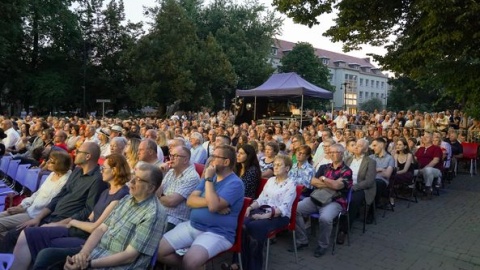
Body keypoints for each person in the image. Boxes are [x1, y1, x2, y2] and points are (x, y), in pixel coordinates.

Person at [11, 154, 131, 270]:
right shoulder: (106, 191)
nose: (101, 171)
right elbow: (90, 218)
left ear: (115, 171)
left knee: (46, 253)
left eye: (104, 168)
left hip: (89, 238)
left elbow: (95, 227)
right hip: (79, 229)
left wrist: (72, 222)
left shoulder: (121, 195)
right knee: (29, 233)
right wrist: (60, 224)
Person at [0, 142, 107, 253]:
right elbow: (58, 197)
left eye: (79, 151)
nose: (75, 152)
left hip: (63, 222)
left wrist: (58, 224)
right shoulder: (77, 172)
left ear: (88, 156)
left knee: (13, 236)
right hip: (50, 217)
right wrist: (38, 218)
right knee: (12, 235)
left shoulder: (97, 180)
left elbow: (87, 210)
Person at [60, 163, 166, 270]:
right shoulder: (126, 199)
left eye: (138, 179)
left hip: (118, 266)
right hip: (96, 253)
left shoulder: (154, 214)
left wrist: (88, 264)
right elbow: (101, 228)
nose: (131, 181)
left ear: (151, 188)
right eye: (133, 176)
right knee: (51, 256)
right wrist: (83, 254)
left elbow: (130, 256)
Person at [158, 145, 244, 270]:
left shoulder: (235, 183)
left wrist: (208, 179)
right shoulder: (211, 176)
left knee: (190, 262)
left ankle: (192, 266)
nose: (211, 159)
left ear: (226, 162)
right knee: (158, 250)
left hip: (217, 233)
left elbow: (213, 207)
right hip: (192, 225)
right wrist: (211, 201)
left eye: (215, 156)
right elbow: (190, 201)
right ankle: (195, 267)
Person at [291, 143, 352, 257]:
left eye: (335, 152)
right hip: (318, 197)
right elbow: (313, 181)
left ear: (342, 154)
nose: (331, 154)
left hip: (335, 201)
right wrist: (331, 183)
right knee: (295, 210)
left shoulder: (347, 171)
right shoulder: (324, 167)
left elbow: (338, 186)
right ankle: (302, 240)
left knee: (325, 218)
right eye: (330, 152)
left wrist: (323, 179)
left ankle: (322, 245)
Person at [239, 155, 296, 270]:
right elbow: (261, 199)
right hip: (262, 210)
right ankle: (239, 262)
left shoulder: (291, 184)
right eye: (274, 164)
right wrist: (249, 208)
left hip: (279, 215)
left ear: (287, 168)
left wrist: (264, 216)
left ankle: (253, 266)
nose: (275, 167)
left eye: (279, 165)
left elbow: (284, 208)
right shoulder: (270, 180)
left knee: (255, 227)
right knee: (243, 223)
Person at [0, 151, 72, 235]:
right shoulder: (52, 174)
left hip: (34, 215)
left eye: (51, 161)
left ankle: (14, 241)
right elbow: (37, 193)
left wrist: (25, 209)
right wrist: (22, 206)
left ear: (60, 164)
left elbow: (49, 203)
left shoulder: (65, 180)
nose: (47, 162)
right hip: (28, 209)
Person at [157, 146, 200, 232]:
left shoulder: (192, 177)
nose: (171, 158)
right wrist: (159, 173)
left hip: (175, 220)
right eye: (171, 155)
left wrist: (158, 196)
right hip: (159, 213)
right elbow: (155, 191)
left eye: (175, 156)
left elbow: (171, 202)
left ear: (185, 160)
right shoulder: (170, 172)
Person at [344, 138, 376, 232]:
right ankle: (336, 219)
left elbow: (369, 181)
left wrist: (353, 187)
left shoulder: (370, 162)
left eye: (360, 146)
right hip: (346, 185)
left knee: (352, 201)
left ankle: (344, 230)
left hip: (361, 188)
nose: (356, 147)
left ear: (366, 150)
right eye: (355, 145)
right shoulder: (347, 159)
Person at [415, 132, 443, 199]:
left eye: (427, 137)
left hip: (435, 170)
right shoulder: (420, 149)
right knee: (410, 171)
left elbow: (435, 161)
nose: (424, 138)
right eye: (424, 136)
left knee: (428, 170)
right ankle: (410, 188)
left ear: (431, 139)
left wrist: (424, 169)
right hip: (420, 169)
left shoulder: (436, 148)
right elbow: (414, 160)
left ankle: (428, 190)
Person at [369, 138, 395, 207]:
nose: (373, 148)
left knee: (377, 183)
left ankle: (372, 208)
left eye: (375, 145)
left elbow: (387, 175)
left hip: (381, 182)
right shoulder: (371, 157)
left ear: (381, 145)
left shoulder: (390, 158)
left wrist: (373, 170)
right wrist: (380, 169)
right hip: (369, 180)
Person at [389, 137, 414, 206]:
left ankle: (391, 198)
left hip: (407, 174)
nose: (397, 146)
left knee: (391, 177)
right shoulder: (396, 155)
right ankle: (389, 196)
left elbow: (405, 170)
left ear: (405, 146)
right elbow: (395, 167)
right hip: (398, 174)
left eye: (400, 145)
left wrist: (393, 173)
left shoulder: (409, 155)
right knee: (389, 177)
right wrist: (392, 156)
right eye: (397, 144)